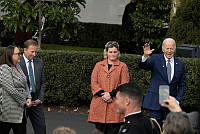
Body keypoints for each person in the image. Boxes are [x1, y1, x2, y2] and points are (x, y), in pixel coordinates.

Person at [139, 38, 186, 125]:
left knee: (170, 129)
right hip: (155, 103)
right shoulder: (155, 58)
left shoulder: (180, 64)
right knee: (155, 129)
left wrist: (177, 101)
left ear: (175, 49)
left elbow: (182, 85)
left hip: (171, 105)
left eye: (171, 48)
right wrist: (145, 56)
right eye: (167, 48)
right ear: (162, 49)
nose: (169, 51)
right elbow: (143, 66)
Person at [88, 41, 130, 134]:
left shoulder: (123, 66)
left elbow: (124, 84)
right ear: (106, 52)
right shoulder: (98, 65)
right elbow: (94, 82)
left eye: (115, 52)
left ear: (118, 53)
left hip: (115, 104)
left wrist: (111, 94)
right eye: (110, 52)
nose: (112, 54)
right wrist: (103, 94)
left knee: (113, 130)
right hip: (100, 104)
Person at [0, 45, 32, 134]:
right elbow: (11, 90)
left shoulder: (17, 66)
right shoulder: (4, 68)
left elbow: (25, 83)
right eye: (18, 54)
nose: (20, 55)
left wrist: (29, 97)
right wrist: (24, 101)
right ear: (10, 55)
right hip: (8, 112)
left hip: (20, 112)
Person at [18, 39, 46, 134]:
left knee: (41, 129)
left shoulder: (39, 62)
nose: (34, 54)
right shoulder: (17, 62)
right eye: (32, 51)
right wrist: (24, 99)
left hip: (36, 102)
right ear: (25, 50)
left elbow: (42, 83)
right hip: (22, 101)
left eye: (36, 51)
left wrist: (40, 98)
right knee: (20, 130)